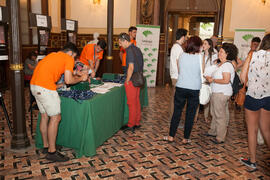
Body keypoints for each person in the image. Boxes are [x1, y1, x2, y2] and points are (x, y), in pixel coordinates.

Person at [30, 42, 88, 162]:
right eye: (74, 57)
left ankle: (46, 146)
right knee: (56, 118)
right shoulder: (68, 58)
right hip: (45, 88)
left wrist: (77, 73)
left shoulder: (53, 55)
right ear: (71, 53)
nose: (73, 59)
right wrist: (82, 78)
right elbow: (68, 80)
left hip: (34, 86)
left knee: (45, 116)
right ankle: (52, 152)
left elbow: (65, 72)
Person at [164, 36, 202, 144]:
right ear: (198, 46)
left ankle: (171, 136)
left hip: (181, 86)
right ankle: (186, 138)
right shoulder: (200, 57)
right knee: (190, 114)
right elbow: (202, 72)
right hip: (194, 88)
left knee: (177, 112)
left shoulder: (182, 55)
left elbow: (180, 70)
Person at [240, 34, 270, 169]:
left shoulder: (253, 55)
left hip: (253, 96)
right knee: (267, 130)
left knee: (252, 130)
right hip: (268, 97)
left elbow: (242, 77)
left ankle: (252, 161)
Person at [205, 43, 238, 144]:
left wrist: (213, 80)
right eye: (219, 51)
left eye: (222, 52)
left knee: (220, 115)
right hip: (217, 92)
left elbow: (226, 80)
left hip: (221, 93)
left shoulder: (227, 65)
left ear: (227, 54)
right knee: (215, 113)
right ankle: (213, 131)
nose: (219, 53)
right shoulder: (221, 64)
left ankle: (220, 137)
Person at [118, 33, 144, 132]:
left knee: (131, 103)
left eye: (120, 42)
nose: (120, 45)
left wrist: (127, 80)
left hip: (132, 80)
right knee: (137, 101)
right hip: (139, 78)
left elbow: (131, 67)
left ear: (125, 40)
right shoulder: (137, 49)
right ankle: (137, 122)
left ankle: (131, 124)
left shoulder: (129, 51)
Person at [169, 28, 188, 116]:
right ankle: (174, 117)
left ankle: (173, 116)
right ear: (183, 37)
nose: (186, 39)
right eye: (186, 37)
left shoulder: (176, 47)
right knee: (177, 99)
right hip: (177, 76)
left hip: (176, 75)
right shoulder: (177, 48)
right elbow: (178, 63)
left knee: (175, 98)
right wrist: (183, 75)